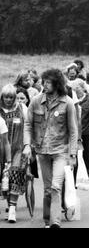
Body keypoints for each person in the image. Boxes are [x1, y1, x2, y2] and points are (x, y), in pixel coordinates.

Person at [24, 69, 78, 228]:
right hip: (42, 151)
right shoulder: (35, 101)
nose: (44, 85)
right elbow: (28, 124)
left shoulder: (67, 102)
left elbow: (73, 130)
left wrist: (73, 154)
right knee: (48, 189)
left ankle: (55, 223)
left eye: (48, 82)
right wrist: (27, 145)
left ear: (57, 83)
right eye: (43, 81)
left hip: (60, 151)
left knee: (55, 186)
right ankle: (48, 219)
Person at [0, 85, 30, 223]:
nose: (8, 99)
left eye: (11, 97)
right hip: (1, 150)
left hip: (17, 149)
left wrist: (27, 146)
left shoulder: (21, 108)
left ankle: (12, 209)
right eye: (5, 96)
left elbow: (27, 128)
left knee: (15, 176)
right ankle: (8, 204)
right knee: (4, 179)